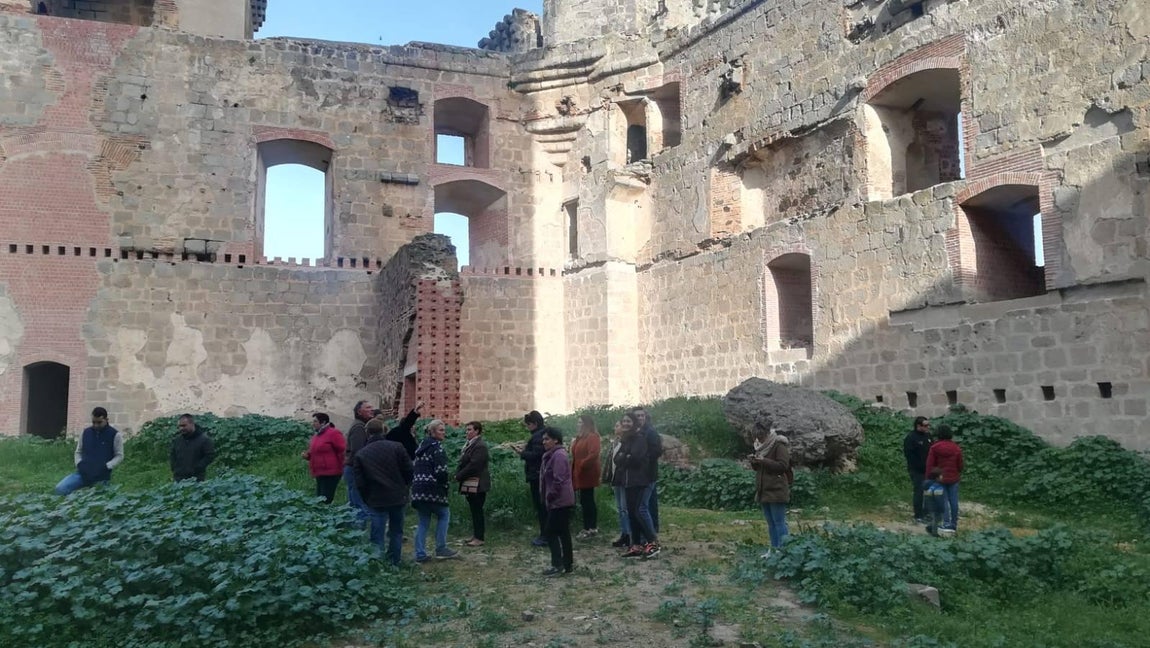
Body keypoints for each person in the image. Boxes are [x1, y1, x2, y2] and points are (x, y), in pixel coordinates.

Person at [353, 418, 414, 565]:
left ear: (367, 433)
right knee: (396, 531)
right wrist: (404, 487)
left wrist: (366, 498)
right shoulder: (397, 447)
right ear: (384, 430)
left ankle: (378, 564)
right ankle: (394, 561)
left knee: (377, 533)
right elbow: (409, 470)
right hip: (397, 496)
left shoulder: (361, 454)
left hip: (376, 499)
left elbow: (360, 483)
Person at [612, 412, 660, 559]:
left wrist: (625, 457)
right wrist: (625, 457)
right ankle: (636, 544)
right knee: (632, 513)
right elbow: (616, 458)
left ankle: (653, 543)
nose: (626, 424)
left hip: (639, 481)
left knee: (640, 510)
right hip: (627, 482)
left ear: (634, 423)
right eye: (624, 421)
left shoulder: (639, 439)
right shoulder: (626, 440)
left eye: (629, 421)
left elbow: (636, 459)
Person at [411, 419, 458, 562]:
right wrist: (445, 486)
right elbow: (441, 472)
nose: (444, 433)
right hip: (433, 489)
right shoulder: (437, 448)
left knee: (423, 520)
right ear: (432, 432)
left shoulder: (420, 449)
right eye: (441, 430)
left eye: (444, 430)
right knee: (444, 514)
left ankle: (420, 553)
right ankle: (441, 547)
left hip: (418, 489)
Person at [55, 407, 124, 496]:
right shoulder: (85, 433)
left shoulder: (115, 435)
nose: (96, 425)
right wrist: (79, 463)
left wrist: (107, 466)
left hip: (101, 476)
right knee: (60, 488)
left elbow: (119, 455)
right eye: (93, 422)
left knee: (98, 500)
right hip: (83, 473)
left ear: (106, 420)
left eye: (99, 422)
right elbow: (78, 451)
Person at [750, 422, 791, 558]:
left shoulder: (779, 445)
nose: (758, 440)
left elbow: (783, 465)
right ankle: (773, 550)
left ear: (767, 434)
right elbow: (760, 468)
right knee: (771, 523)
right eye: (756, 437)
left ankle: (784, 551)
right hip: (764, 490)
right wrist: (755, 462)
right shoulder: (761, 447)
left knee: (779, 521)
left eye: (760, 437)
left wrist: (764, 461)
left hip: (777, 489)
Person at [540, 428, 575, 576]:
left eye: (547, 439)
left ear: (556, 440)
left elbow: (559, 479)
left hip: (560, 500)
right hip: (559, 500)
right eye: (543, 439)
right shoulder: (551, 455)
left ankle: (558, 564)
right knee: (563, 532)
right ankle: (567, 564)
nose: (544, 442)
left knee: (550, 532)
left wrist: (550, 496)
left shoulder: (559, 455)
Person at [514, 410, 549, 547]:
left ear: (534, 423)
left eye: (528, 424)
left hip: (537, 475)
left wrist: (522, 453)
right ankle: (546, 534)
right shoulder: (542, 434)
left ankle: (545, 535)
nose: (527, 427)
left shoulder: (538, 436)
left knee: (541, 507)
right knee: (543, 507)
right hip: (539, 474)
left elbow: (536, 455)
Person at [455, 421, 491, 547]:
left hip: (478, 483)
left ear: (477, 431)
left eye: (470, 430)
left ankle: (479, 537)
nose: (467, 432)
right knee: (474, 510)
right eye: (467, 430)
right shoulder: (471, 444)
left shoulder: (480, 445)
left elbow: (474, 465)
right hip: (471, 482)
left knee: (477, 510)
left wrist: (459, 476)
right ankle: (476, 535)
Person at [925, 425, 964, 534]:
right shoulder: (956, 448)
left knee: (943, 501)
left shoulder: (934, 448)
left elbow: (930, 465)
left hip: (940, 479)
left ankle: (946, 524)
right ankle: (953, 524)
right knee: (954, 502)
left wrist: (929, 478)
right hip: (953, 478)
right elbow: (960, 465)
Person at [343, 400, 376, 526]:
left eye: (371, 407)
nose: (371, 409)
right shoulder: (359, 427)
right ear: (359, 412)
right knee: (358, 502)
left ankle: (354, 528)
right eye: (368, 407)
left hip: (352, 468)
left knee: (354, 501)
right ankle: (359, 531)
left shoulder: (360, 425)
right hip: (355, 469)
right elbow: (358, 451)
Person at [302, 412, 346, 504]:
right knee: (319, 499)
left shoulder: (334, 433)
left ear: (323, 422)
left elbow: (342, 450)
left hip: (330, 472)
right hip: (319, 472)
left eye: (315, 421)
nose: (313, 424)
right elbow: (315, 451)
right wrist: (307, 456)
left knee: (325, 499)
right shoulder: (316, 435)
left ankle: (329, 517)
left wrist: (343, 466)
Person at [601, 420, 633, 548]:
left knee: (625, 508)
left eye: (617, 425)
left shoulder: (627, 442)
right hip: (615, 478)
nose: (615, 428)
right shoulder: (615, 442)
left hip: (624, 479)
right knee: (620, 508)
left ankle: (630, 535)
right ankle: (624, 533)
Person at [571, 415, 602, 539]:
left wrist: (582, 465)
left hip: (588, 473)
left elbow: (593, 454)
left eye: (580, 422)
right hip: (581, 472)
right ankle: (588, 526)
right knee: (585, 500)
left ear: (586, 424)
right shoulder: (580, 438)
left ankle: (590, 527)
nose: (578, 424)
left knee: (587, 500)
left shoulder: (592, 437)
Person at [633, 407, 662, 534]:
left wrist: (642, 459)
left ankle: (652, 531)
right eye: (637, 416)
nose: (640, 418)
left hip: (648, 473)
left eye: (642, 415)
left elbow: (656, 451)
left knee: (648, 504)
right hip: (637, 474)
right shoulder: (633, 432)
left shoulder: (650, 432)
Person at [903, 416, 933, 524]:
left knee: (929, 492)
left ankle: (927, 512)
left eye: (928, 425)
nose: (927, 427)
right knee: (919, 492)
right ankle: (918, 515)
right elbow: (909, 455)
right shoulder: (911, 438)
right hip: (917, 470)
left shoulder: (928, 436)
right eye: (925, 425)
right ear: (918, 426)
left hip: (929, 470)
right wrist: (919, 466)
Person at [169, 413, 215, 481]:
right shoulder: (177, 440)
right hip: (179, 478)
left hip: (196, 479)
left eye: (184, 426)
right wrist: (175, 468)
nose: (181, 428)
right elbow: (172, 455)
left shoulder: (204, 440)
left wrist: (198, 468)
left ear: (192, 424)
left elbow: (210, 456)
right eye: (179, 426)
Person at [922, 467, 946, 537]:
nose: (942, 476)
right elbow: (939, 498)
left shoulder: (927, 485)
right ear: (937, 477)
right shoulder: (938, 486)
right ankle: (934, 533)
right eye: (941, 475)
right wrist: (942, 507)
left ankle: (930, 527)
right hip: (936, 507)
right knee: (937, 519)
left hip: (929, 505)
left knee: (934, 518)